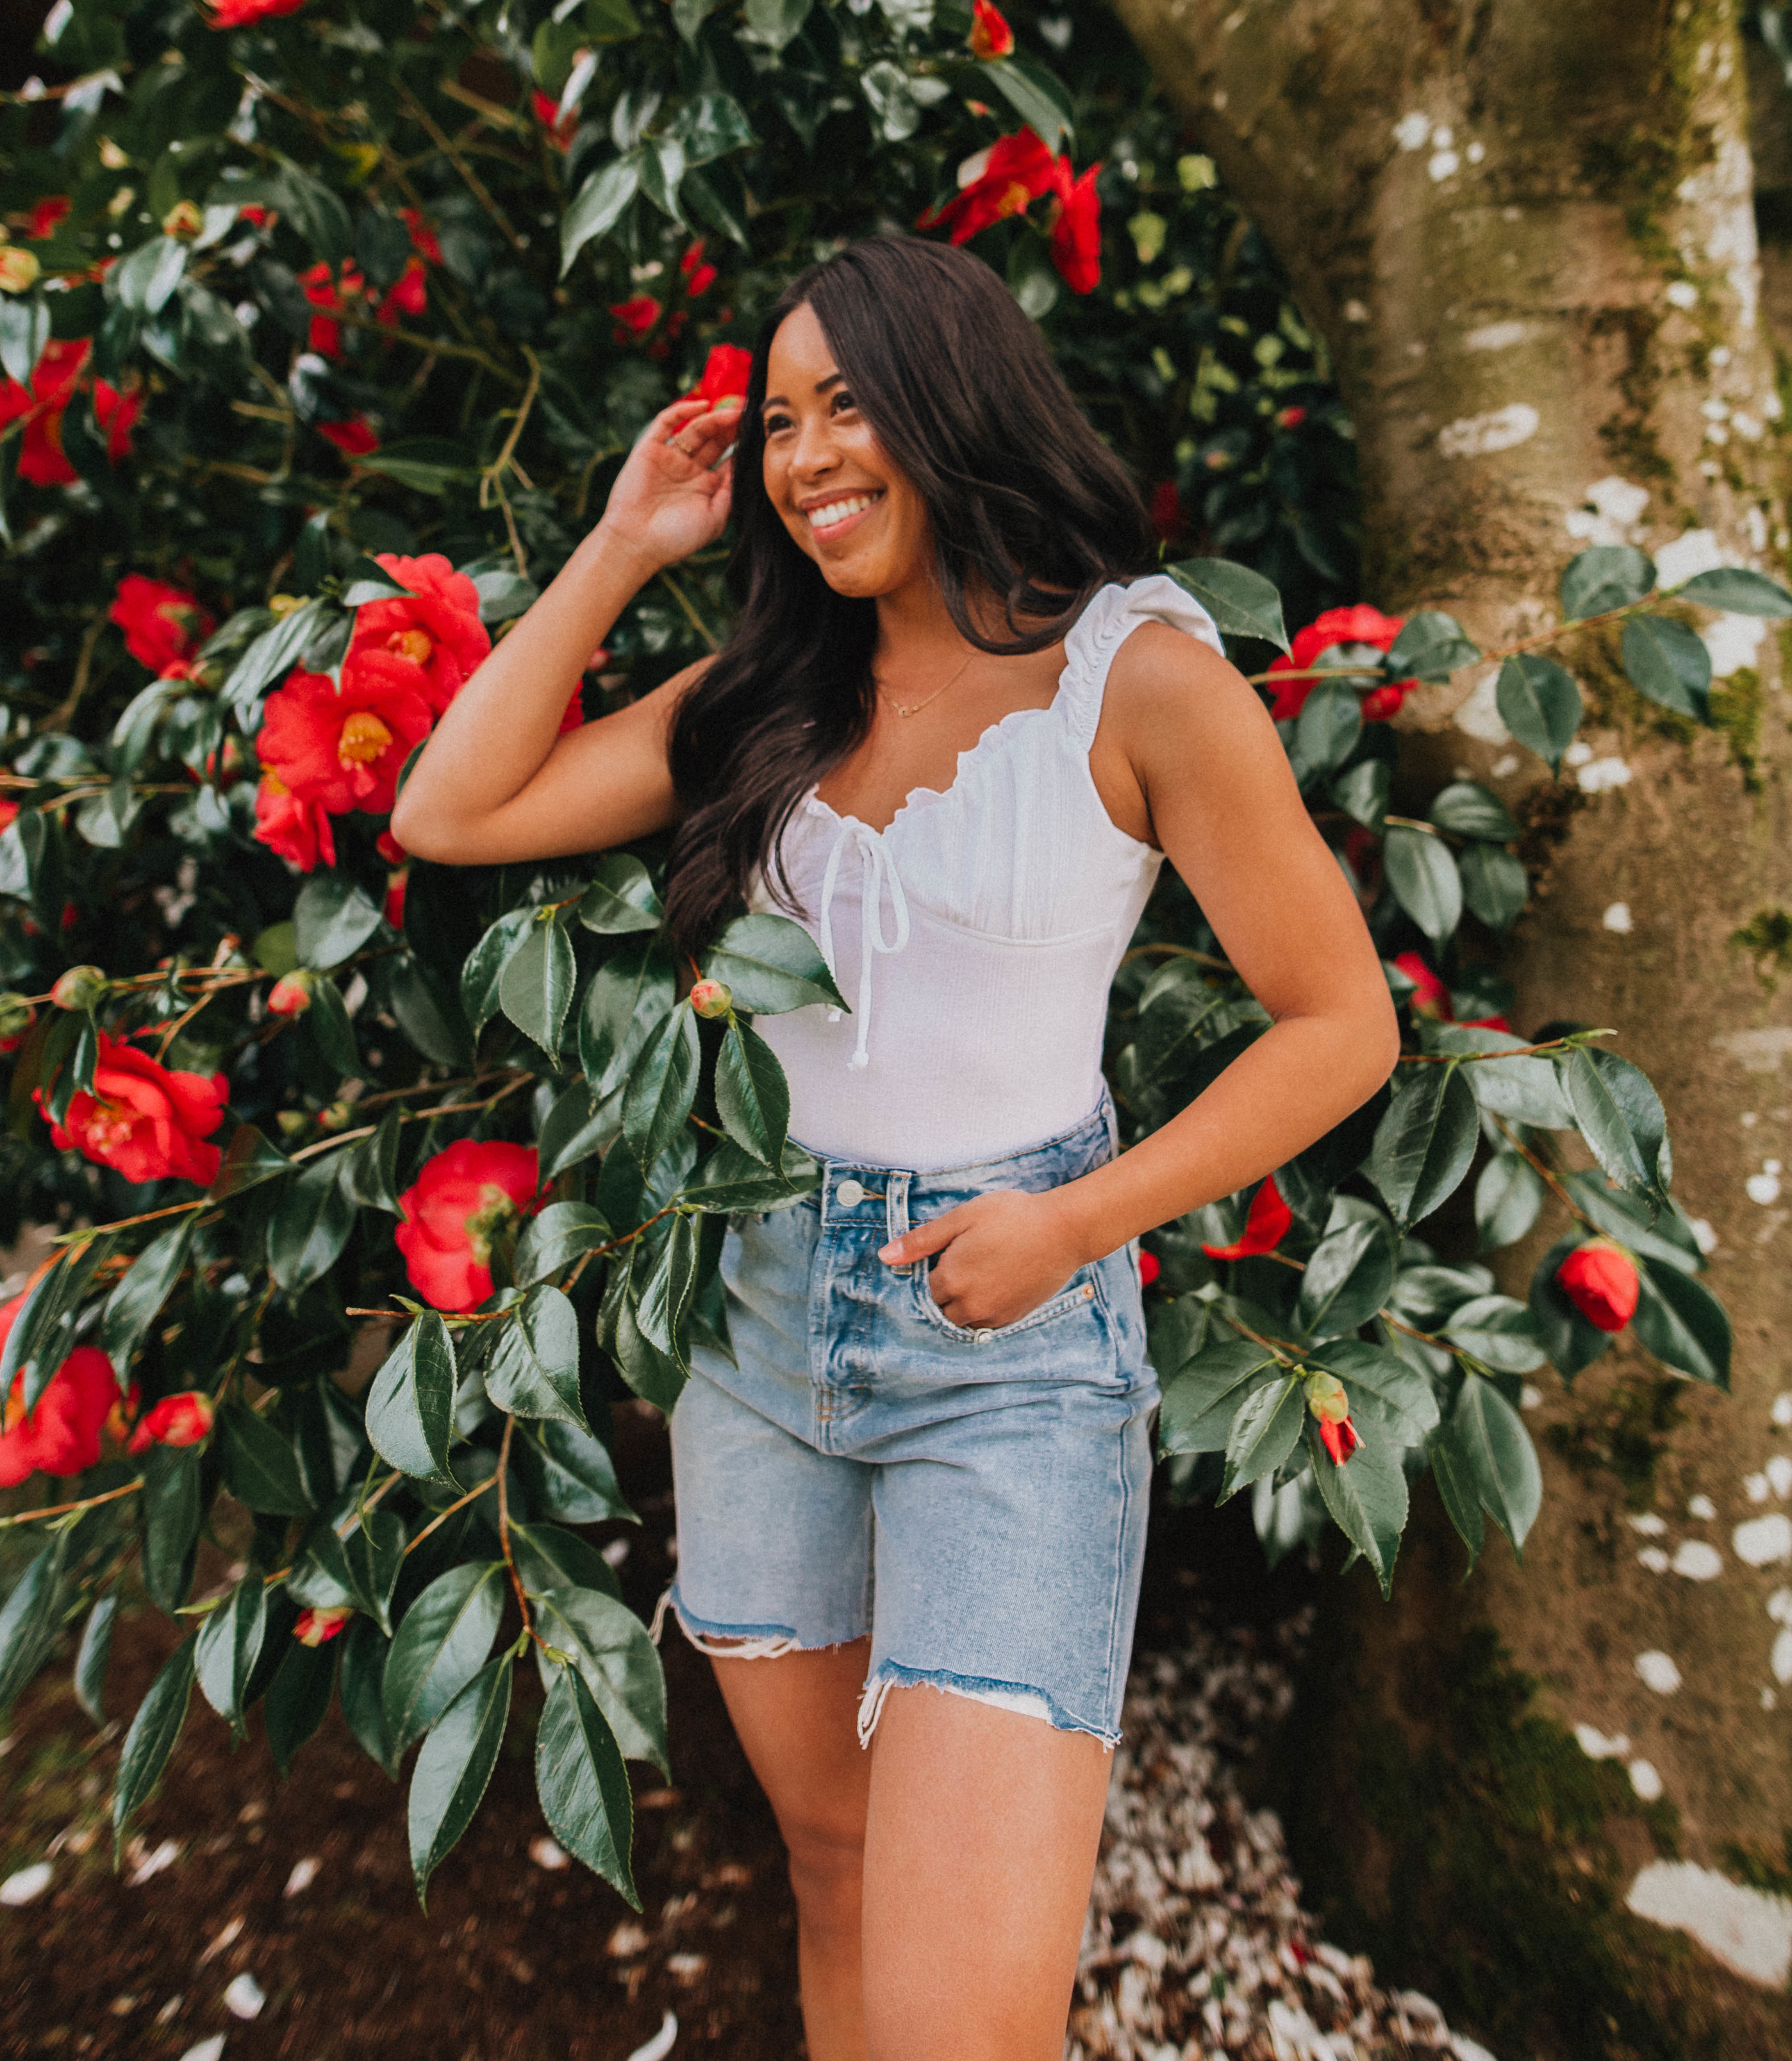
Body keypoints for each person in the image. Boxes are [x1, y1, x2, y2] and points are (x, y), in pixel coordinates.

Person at [393, 235, 1397, 2061]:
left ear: (954, 400)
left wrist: (1076, 1220)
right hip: (752, 1333)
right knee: (835, 1869)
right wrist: (624, 543)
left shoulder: (1139, 675)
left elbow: (1343, 1022)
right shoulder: (766, 697)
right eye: (778, 419)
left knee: (963, 2021)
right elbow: (448, 808)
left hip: (1007, 1349)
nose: (801, 452)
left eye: (846, 403)